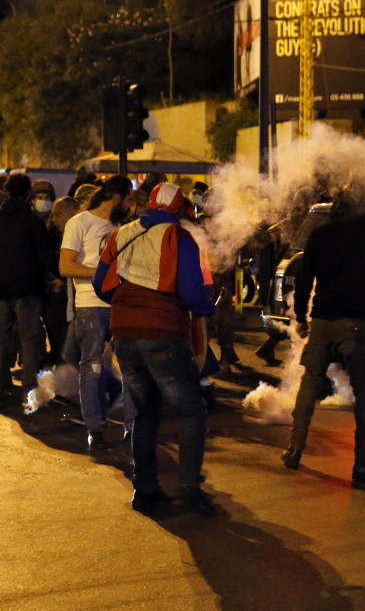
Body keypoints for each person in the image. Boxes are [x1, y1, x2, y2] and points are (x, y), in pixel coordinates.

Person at [93, 182, 217, 515]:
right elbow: (192, 294)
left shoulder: (122, 233)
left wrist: (126, 308)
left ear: (149, 203)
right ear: (179, 208)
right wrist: (207, 308)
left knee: (145, 412)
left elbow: (99, 284)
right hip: (163, 332)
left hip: (124, 333)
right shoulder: (179, 238)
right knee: (191, 410)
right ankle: (189, 489)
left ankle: (145, 490)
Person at [282, 183, 365, 489]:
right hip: (357, 323)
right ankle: (362, 464)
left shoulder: (320, 234)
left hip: (322, 320)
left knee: (309, 382)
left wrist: (303, 317)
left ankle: (295, 449)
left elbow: (305, 277)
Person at [60, 175, 133, 450]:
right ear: (116, 198)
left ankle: (132, 428)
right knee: (91, 366)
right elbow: (65, 266)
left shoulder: (122, 227)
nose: (129, 206)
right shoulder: (78, 223)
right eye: (128, 199)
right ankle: (95, 429)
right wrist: (104, 274)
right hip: (90, 305)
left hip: (121, 305)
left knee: (129, 368)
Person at [0, 174, 51, 397]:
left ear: (7, 192)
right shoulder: (33, 222)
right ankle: (29, 385)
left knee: (1, 338)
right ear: (27, 193)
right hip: (27, 289)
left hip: (1, 290)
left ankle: (2, 383)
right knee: (29, 339)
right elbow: (43, 256)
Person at [42, 197, 81, 367]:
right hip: (57, 297)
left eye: (58, 214)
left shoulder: (73, 240)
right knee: (63, 346)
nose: (54, 219)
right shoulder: (54, 238)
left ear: (73, 214)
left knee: (65, 348)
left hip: (63, 298)